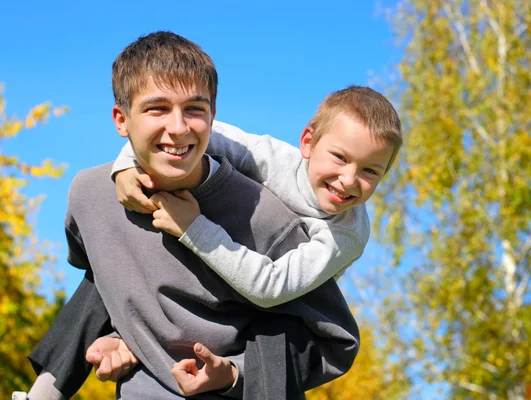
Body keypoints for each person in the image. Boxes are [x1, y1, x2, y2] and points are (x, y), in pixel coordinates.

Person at [20, 31, 359, 400]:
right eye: (157, 108)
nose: (179, 127)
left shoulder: (266, 219)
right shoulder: (90, 196)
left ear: (213, 117)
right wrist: (117, 336)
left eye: (194, 109)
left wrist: (233, 374)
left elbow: (333, 340)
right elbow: (103, 277)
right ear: (121, 119)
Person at [111, 85, 403, 309]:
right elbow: (200, 134)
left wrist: (194, 228)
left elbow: (272, 289)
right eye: (340, 157)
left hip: (277, 307)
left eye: (369, 171)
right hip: (234, 250)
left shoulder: (347, 231)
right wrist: (125, 165)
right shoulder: (274, 160)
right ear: (308, 142)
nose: (349, 180)